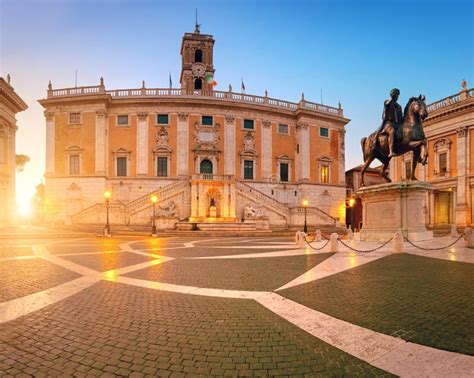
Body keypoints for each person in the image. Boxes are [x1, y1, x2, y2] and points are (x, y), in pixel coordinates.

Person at [376, 88, 403, 158]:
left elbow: (401, 117)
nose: (397, 97)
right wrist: (391, 98)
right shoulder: (387, 102)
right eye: (396, 95)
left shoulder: (399, 106)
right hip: (389, 124)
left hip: (397, 124)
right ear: (392, 95)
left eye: (398, 95)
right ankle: (391, 151)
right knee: (392, 131)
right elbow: (387, 103)